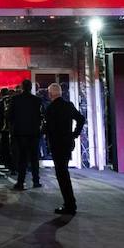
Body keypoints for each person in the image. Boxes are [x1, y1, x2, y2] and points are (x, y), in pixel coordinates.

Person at [43, 82, 85, 215]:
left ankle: (70, 204)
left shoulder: (50, 109)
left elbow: (47, 129)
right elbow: (81, 119)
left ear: (50, 94)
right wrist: (74, 134)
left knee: (62, 175)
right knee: (63, 173)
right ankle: (69, 203)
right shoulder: (69, 106)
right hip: (67, 143)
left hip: (56, 145)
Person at [7, 78, 44, 189]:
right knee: (34, 158)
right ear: (31, 87)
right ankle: (36, 181)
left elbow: (9, 116)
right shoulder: (37, 100)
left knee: (22, 158)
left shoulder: (15, 99)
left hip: (20, 133)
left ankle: (20, 182)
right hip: (34, 133)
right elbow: (41, 116)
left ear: (22, 87)